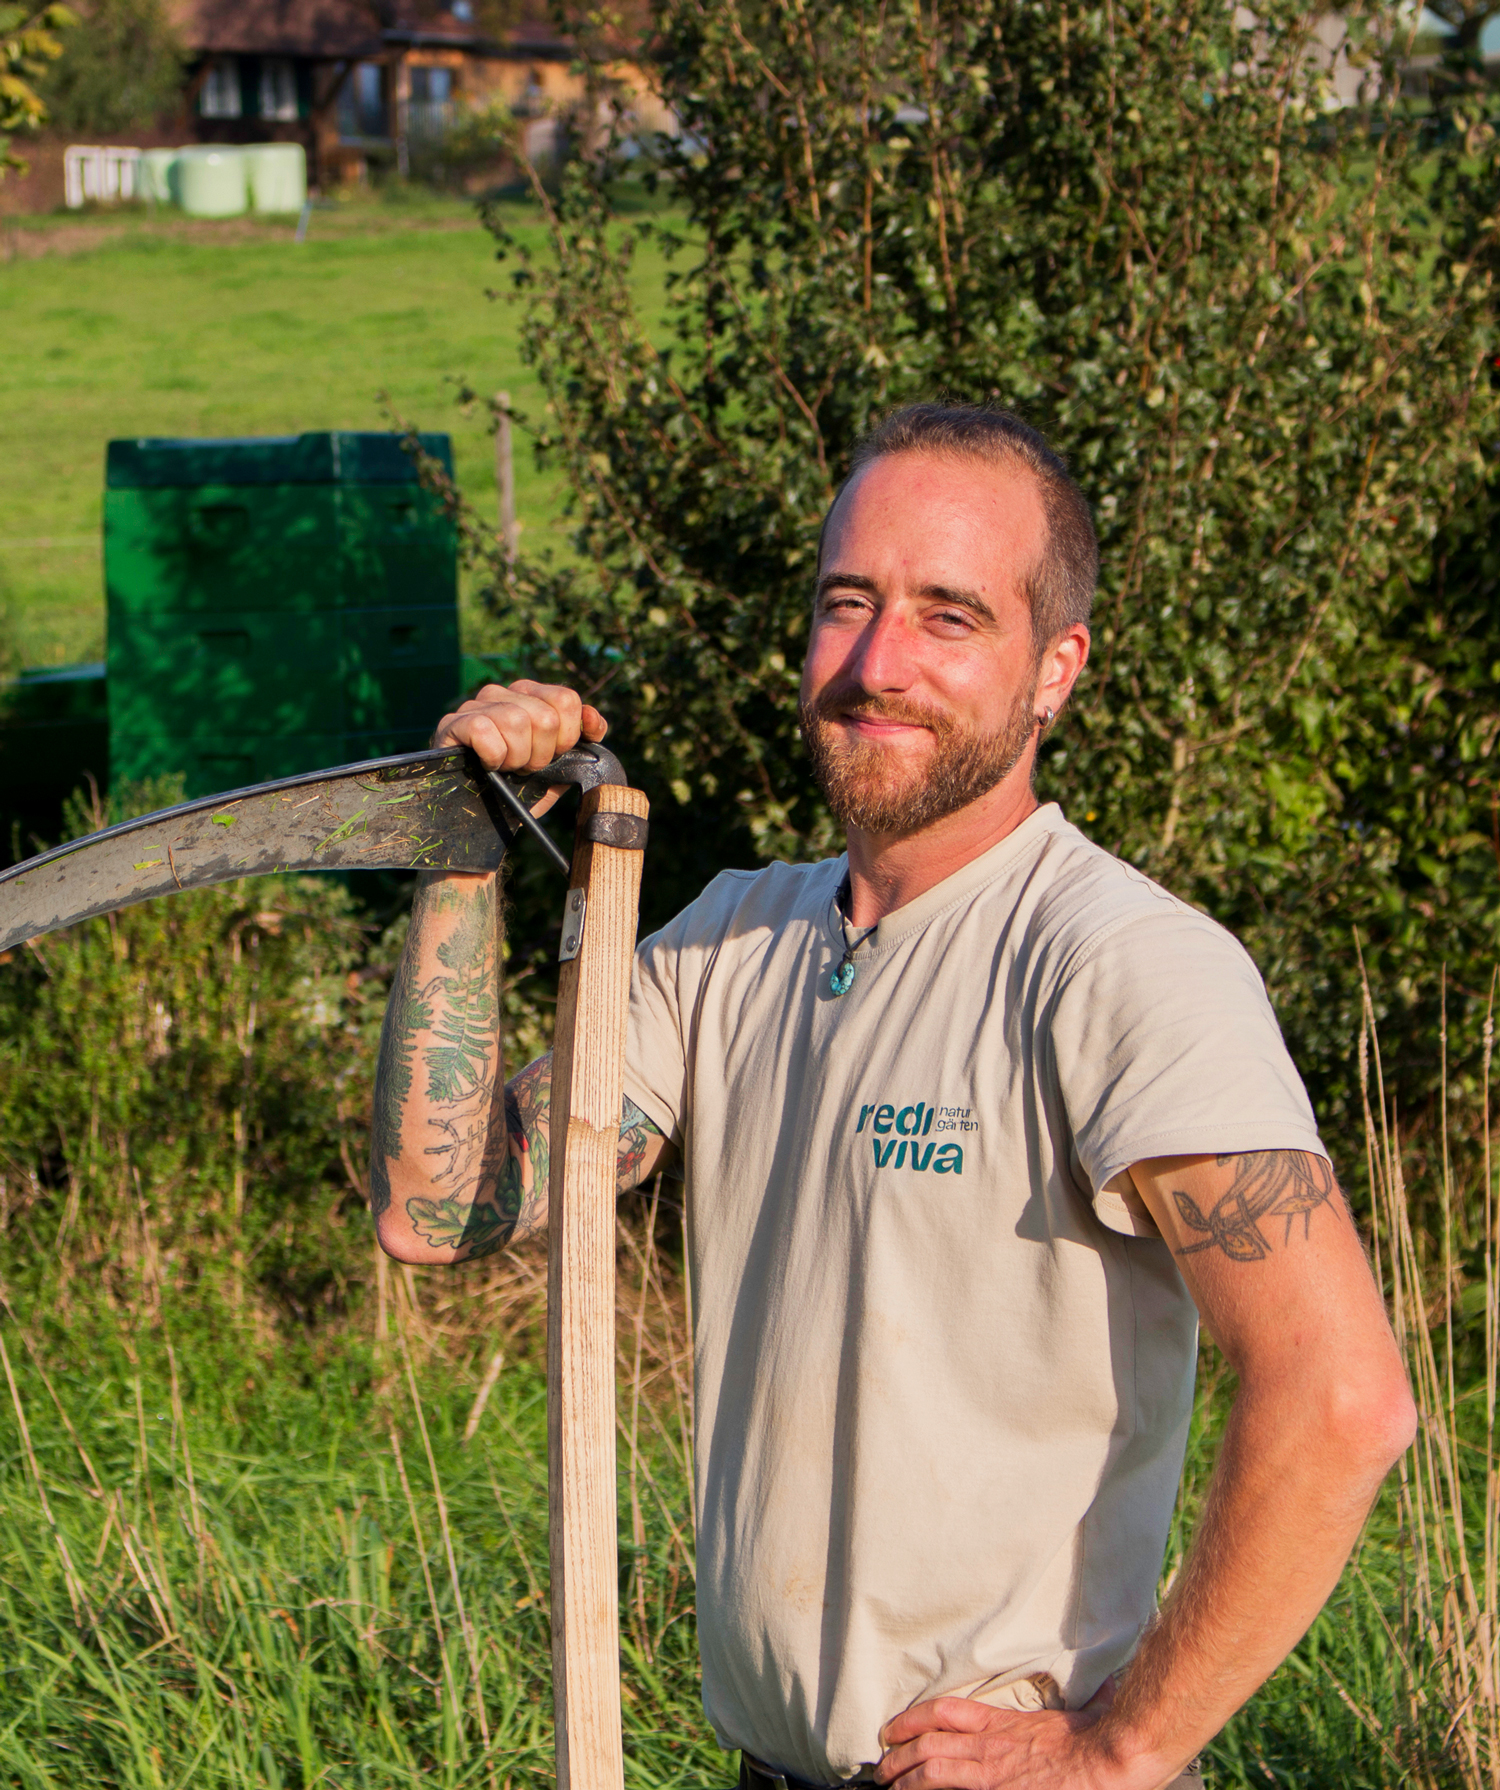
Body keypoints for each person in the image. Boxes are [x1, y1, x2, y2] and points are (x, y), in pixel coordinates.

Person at [370, 403, 1416, 1790]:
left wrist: (1121, 1744)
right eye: (846, 604)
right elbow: (442, 1205)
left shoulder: (1117, 963)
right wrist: (461, 850)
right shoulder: (729, 940)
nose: (877, 665)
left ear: (1055, 670)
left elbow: (1343, 1395)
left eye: (948, 616)